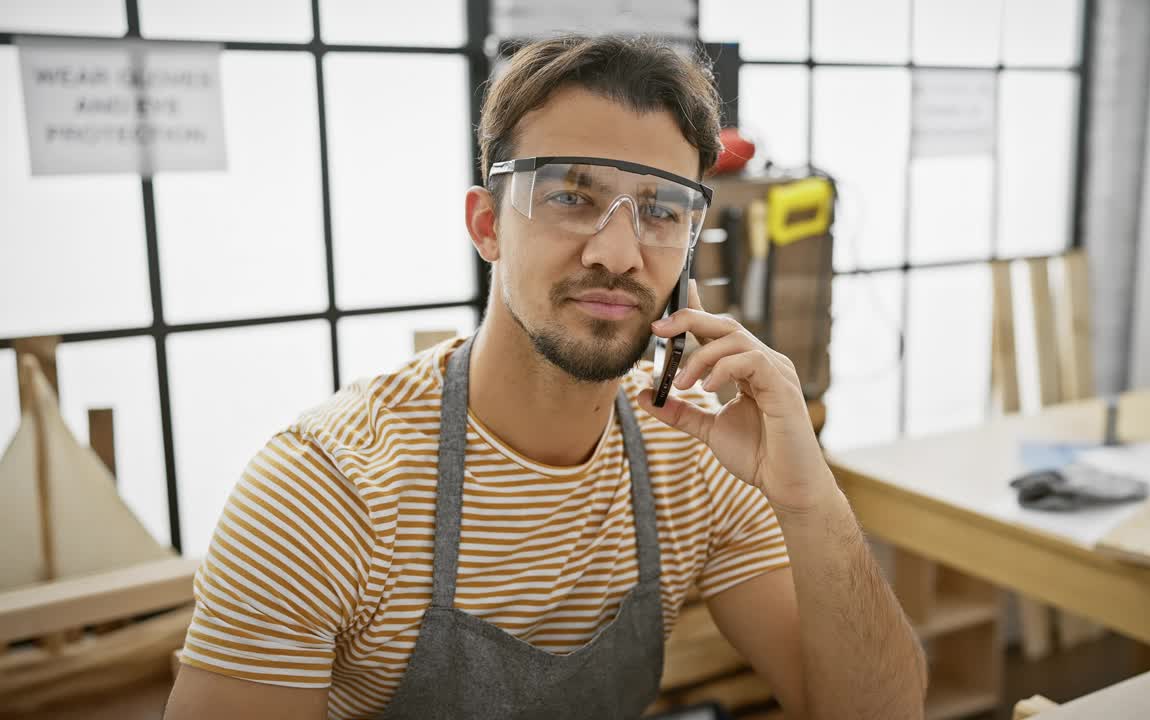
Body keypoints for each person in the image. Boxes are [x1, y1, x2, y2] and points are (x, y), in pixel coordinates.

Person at [164, 34, 926, 720]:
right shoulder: (326, 491)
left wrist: (808, 495)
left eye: (662, 212)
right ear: (488, 225)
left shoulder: (692, 454)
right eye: (570, 196)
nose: (619, 253)